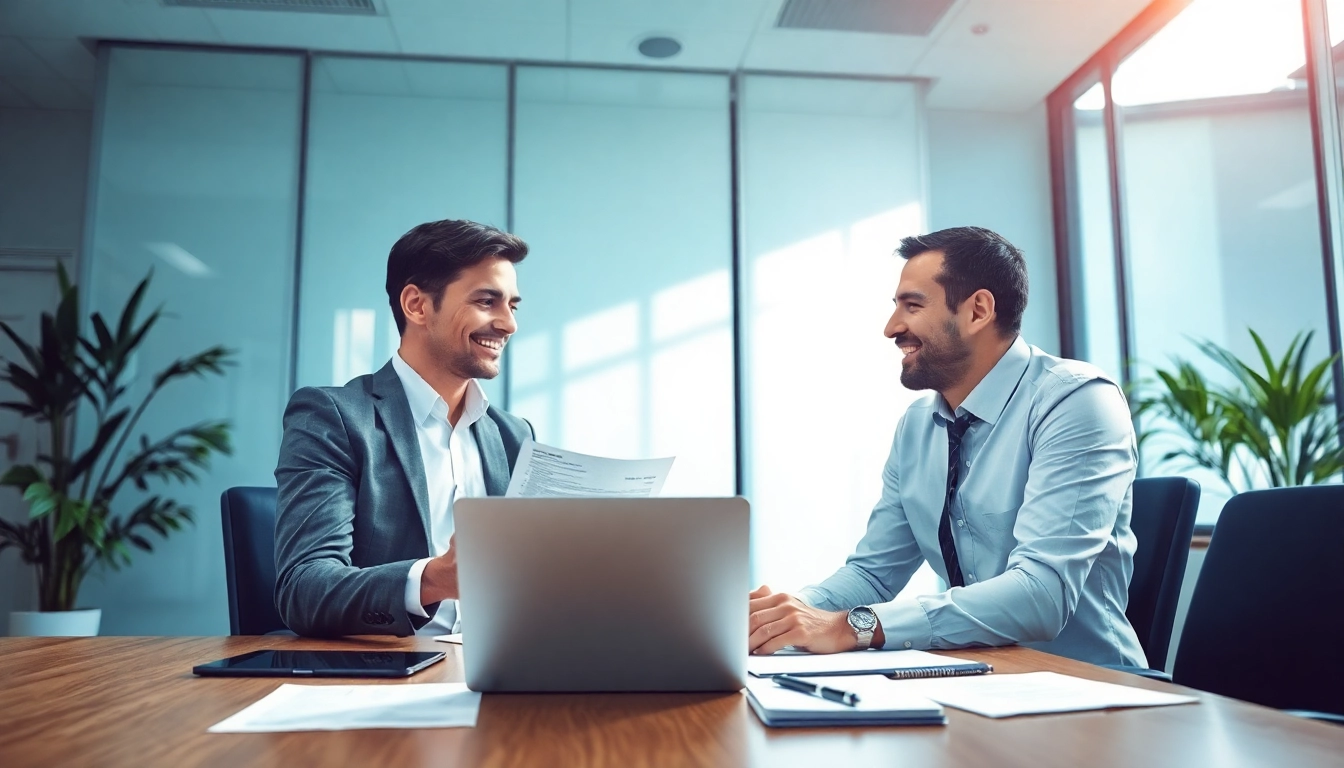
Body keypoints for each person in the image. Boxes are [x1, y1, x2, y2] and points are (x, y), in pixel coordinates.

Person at [748, 226, 1146, 667]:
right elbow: (872, 575)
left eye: (912, 306)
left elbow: (1041, 595)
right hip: (978, 680)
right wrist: (781, 619)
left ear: (978, 311)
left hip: (1090, 686)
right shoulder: (917, 426)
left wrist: (851, 627)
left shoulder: (1076, 402)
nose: (891, 328)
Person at [274, 219, 533, 638]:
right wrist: (435, 580)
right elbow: (304, 589)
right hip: (395, 663)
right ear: (416, 305)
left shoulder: (513, 435)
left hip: (502, 658)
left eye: (513, 306)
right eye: (487, 301)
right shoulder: (333, 417)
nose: (508, 324)